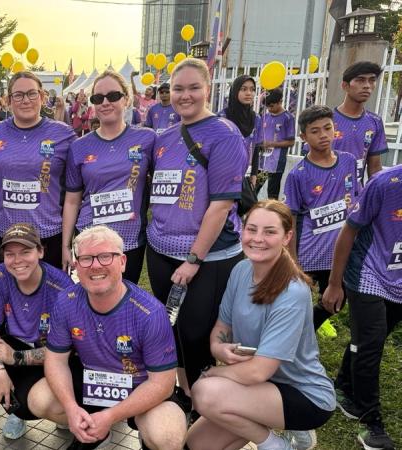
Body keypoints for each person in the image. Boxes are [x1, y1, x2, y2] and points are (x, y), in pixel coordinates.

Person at [186, 200, 335, 450]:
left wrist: (213, 373)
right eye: (251, 229)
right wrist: (217, 348)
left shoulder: (293, 292)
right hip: (257, 387)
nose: (258, 238)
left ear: (287, 237)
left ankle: (273, 444)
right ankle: (273, 429)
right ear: (242, 231)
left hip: (304, 394)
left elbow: (258, 371)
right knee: (194, 445)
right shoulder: (241, 270)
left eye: (270, 232)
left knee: (204, 392)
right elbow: (222, 327)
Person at [146, 58, 248, 407]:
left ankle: (200, 400)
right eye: (178, 88)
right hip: (160, 251)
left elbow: (220, 206)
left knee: (195, 333)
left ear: (208, 89)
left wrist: (194, 259)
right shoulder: (165, 136)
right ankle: (181, 389)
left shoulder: (225, 133)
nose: (184, 95)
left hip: (204, 258)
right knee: (169, 326)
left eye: (193, 87)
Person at [29, 225, 186, 450]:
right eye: (86, 259)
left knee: (167, 435)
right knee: (39, 399)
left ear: (122, 262)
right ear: (76, 265)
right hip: (91, 386)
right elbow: (55, 360)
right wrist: (71, 408)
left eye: (105, 257)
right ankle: (93, 432)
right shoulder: (66, 301)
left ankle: (137, 434)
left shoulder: (150, 313)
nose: (95, 266)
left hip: (138, 388)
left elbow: (163, 384)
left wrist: (111, 416)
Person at [321, 164, 402, 450]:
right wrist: (334, 283)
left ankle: (343, 385)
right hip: (367, 272)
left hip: (398, 277)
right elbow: (349, 231)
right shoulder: (385, 183)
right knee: (370, 345)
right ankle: (372, 423)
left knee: (371, 337)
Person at [0, 223, 74, 439]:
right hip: (17, 346)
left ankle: (72, 415)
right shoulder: (0, 275)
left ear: (40, 251)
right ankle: (16, 410)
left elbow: (65, 350)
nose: (17, 261)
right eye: (10, 254)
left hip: (53, 355)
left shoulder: (62, 286)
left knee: (52, 400)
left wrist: (15, 357)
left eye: (26, 252)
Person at [62, 70, 156, 282]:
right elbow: (71, 200)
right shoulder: (79, 146)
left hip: (129, 241)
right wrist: (66, 246)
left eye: (113, 96)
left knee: (124, 303)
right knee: (91, 303)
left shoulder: (146, 139)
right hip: (90, 240)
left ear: (126, 98)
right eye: (98, 98)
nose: (105, 102)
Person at [0, 71, 76, 269]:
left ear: (42, 97)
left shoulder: (64, 134)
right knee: (9, 298)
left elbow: (74, 192)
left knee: (52, 299)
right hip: (7, 236)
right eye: (18, 95)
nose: (25, 100)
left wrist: (67, 244)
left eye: (32, 94)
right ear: (8, 100)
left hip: (48, 235)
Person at [284, 105, 359, 332]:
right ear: (303, 137)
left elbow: (356, 200)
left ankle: (306, 334)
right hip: (310, 253)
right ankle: (293, 344)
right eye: (315, 131)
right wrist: (293, 261)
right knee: (296, 306)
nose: (323, 135)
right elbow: (290, 221)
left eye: (327, 128)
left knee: (335, 302)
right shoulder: (298, 174)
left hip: (341, 252)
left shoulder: (348, 161)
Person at [331, 61, 387, 186]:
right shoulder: (326, 119)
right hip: (323, 196)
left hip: (355, 197)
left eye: (372, 80)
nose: (367, 86)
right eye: (360, 80)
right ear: (345, 86)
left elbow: (375, 167)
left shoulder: (375, 122)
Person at [217, 75, 262, 180]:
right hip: (223, 175)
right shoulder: (222, 117)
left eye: (252, 89)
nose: (249, 93)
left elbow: (256, 149)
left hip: (245, 175)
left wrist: (254, 175)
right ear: (235, 91)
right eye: (243, 89)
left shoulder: (256, 118)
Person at [257, 89, 295, 200]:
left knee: (272, 193)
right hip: (262, 163)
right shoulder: (265, 116)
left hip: (276, 164)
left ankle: (271, 214)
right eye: (267, 107)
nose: (269, 109)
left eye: (272, 106)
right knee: (254, 188)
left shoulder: (288, 118)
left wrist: (271, 143)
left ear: (280, 102)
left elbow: (291, 142)